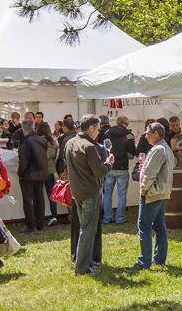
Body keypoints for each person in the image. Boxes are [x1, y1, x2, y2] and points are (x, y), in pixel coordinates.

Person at [64, 114, 114, 275]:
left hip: (77, 191)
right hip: (89, 193)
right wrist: (109, 163)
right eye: (97, 129)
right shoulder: (89, 146)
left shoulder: (70, 142)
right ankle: (82, 267)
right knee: (88, 230)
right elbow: (100, 172)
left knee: (84, 228)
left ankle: (84, 260)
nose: (98, 132)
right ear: (91, 128)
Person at [125, 121, 174, 272]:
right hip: (162, 193)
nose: (145, 136)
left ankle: (144, 262)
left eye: (148, 133)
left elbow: (149, 174)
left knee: (144, 226)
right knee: (159, 227)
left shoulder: (158, 150)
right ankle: (159, 259)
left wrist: (143, 190)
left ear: (157, 134)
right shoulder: (165, 148)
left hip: (152, 193)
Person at [103, 115, 137, 224]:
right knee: (122, 194)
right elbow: (131, 155)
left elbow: (105, 149)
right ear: (126, 124)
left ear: (117, 122)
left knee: (107, 193)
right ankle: (120, 218)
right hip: (122, 166)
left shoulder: (107, 133)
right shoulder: (129, 135)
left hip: (109, 166)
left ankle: (107, 217)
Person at [18, 120, 49, 232]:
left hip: (29, 174)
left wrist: (20, 173)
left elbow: (23, 160)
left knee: (28, 200)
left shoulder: (26, 141)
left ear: (23, 129)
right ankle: (40, 223)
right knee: (39, 199)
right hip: (41, 173)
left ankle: (31, 225)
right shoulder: (41, 139)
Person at [41, 122, 61, 226]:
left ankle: (41, 216)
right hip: (52, 169)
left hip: (42, 169)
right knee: (51, 194)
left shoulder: (39, 140)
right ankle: (54, 215)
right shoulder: (53, 140)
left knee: (39, 195)